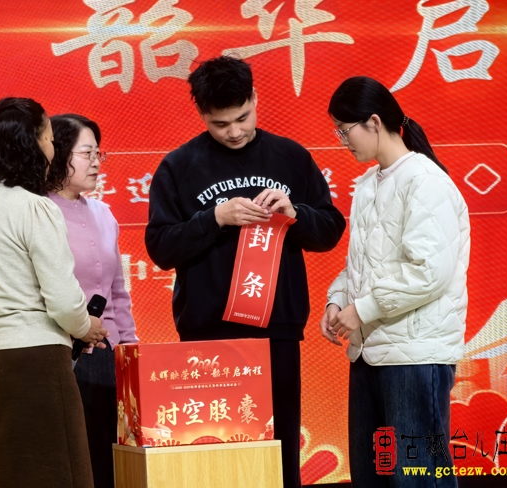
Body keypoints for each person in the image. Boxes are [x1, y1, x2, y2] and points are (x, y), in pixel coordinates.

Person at [145, 56, 346, 488]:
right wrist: (214, 218)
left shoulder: (290, 157)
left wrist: (295, 213)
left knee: (279, 453)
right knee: (218, 458)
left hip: (276, 331)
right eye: (220, 124)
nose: (234, 131)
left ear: (255, 98)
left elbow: (330, 231)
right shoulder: (179, 166)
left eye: (243, 117)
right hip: (209, 335)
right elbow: (160, 248)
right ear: (201, 114)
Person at [320, 76, 470, 487]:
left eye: (344, 130)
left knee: (418, 477)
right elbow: (361, 263)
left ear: (373, 122)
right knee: (373, 475)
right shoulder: (369, 183)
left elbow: (429, 271)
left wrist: (363, 309)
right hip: (371, 352)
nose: (342, 141)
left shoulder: (424, 180)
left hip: (415, 356)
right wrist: (337, 300)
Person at [0, 98, 108, 488]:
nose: (52, 146)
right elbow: (63, 300)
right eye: (48, 137)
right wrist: (85, 326)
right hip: (35, 363)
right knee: (57, 474)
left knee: (1, 475)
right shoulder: (35, 208)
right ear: (35, 143)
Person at [46, 113, 138, 488]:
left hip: (107, 355)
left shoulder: (103, 214)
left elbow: (117, 290)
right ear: (57, 154)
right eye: (87, 153)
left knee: (110, 459)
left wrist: (130, 349)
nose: (97, 162)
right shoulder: (39, 212)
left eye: (99, 153)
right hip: (63, 354)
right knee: (74, 460)